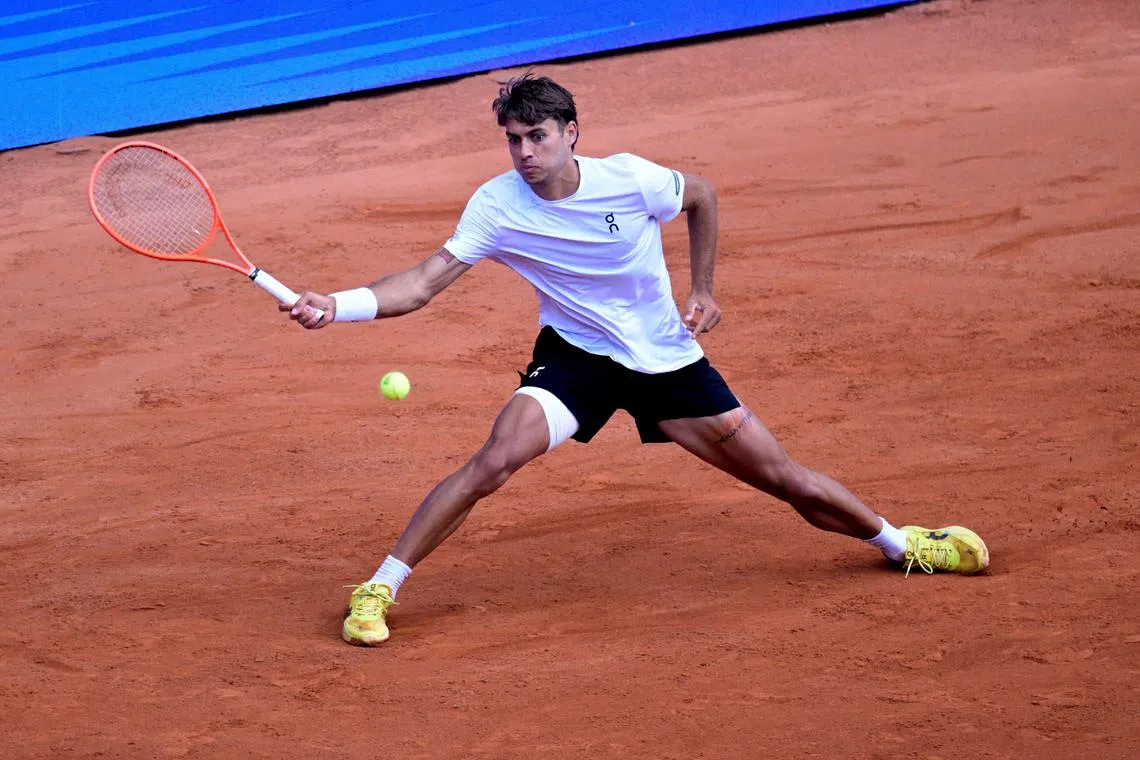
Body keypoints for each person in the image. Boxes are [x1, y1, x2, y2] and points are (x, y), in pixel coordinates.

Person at [283, 73, 989, 647]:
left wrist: (703, 288)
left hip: (666, 362)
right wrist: (337, 305)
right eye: (513, 140)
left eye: (537, 136)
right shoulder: (496, 206)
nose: (524, 153)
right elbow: (422, 282)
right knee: (493, 461)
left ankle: (900, 544)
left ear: (571, 133)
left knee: (784, 479)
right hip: (577, 357)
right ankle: (380, 586)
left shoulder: (629, 179)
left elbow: (702, 196)